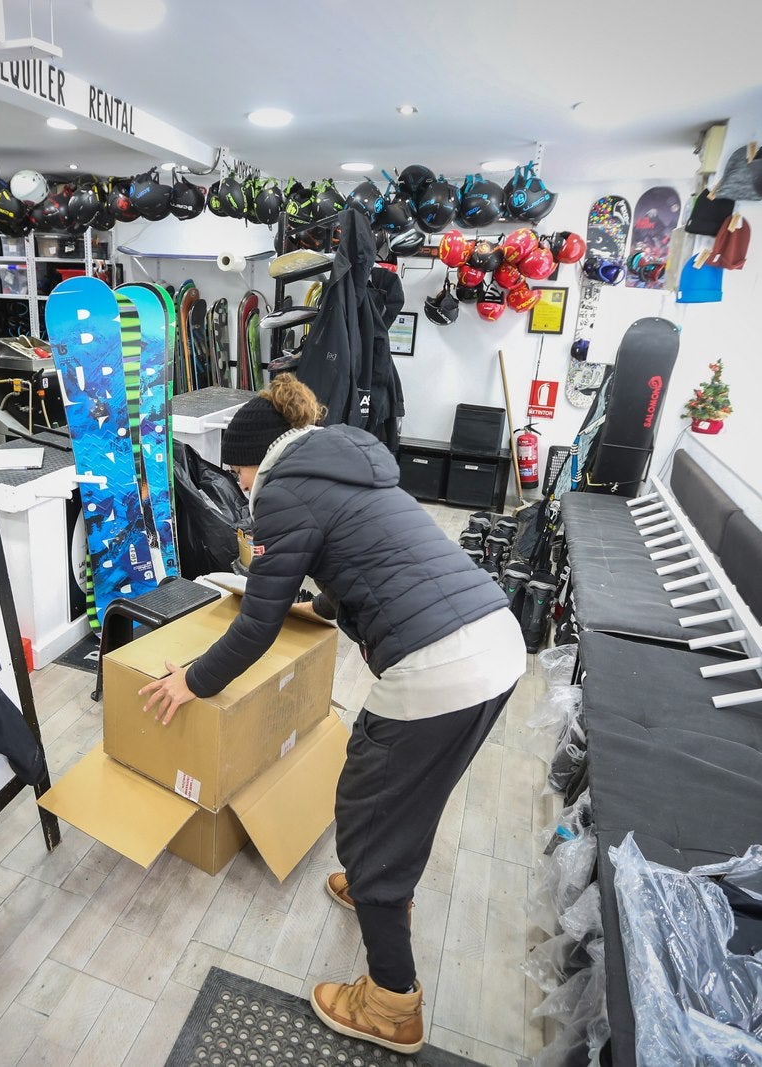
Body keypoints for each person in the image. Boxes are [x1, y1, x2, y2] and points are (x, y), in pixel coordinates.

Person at [140, 375, 524, 1054]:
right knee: (411, 796)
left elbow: (255, 626)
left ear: (260, 457)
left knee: (367, 811)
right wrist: (319, 605)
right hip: (493, 641)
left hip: (437, 666)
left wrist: (193, 682)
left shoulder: (284, 489)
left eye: (237, 467)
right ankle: (387, 889)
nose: (238, 480)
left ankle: (390, 1003)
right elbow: (375, 560)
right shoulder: (348, 462)